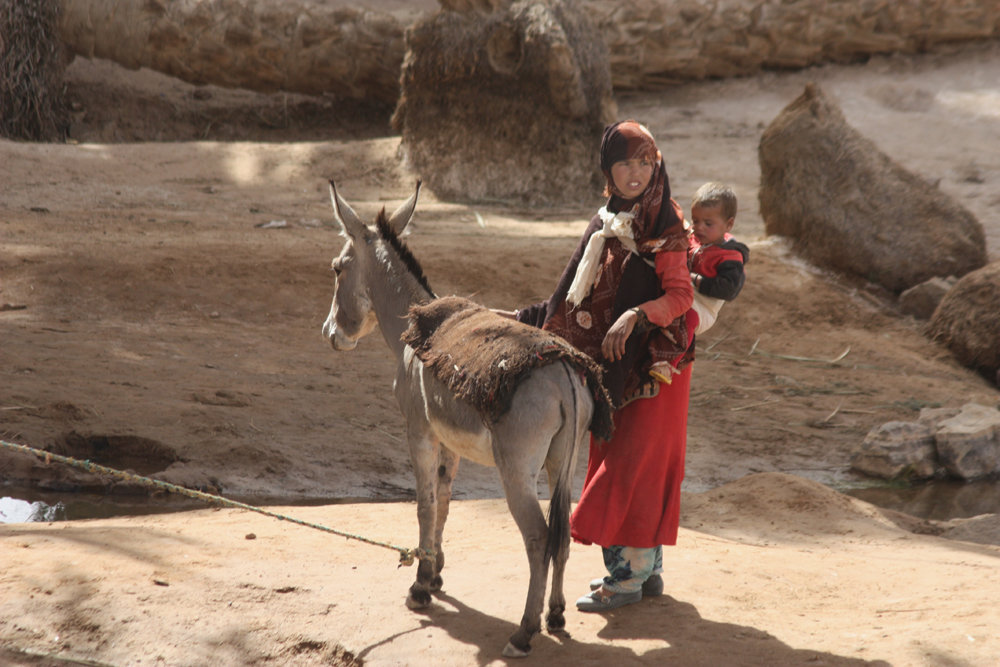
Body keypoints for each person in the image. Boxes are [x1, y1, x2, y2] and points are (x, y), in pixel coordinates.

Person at [512, 120, 696, 612]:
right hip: (614, 366)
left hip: (654, 370)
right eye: (624, 163)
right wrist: (530, 322)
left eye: (644, 162)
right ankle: (645, 570)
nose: (635, 173)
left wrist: (637, 315)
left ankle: (626, 579)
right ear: (607, 169)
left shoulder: (665, 222)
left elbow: (680, 295)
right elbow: (569, 289)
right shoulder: (608, 217)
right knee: (621, 456)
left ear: (655, 165)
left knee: (633, 464)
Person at [688, 182, 749, 335]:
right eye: (695, 221)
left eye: (708, 223)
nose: (699, 227)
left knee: (685, 321)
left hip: (703, 307)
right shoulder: (692, 237)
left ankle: (676, 357)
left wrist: (694, 279)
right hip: (682, 294)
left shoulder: (730, 257)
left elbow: (729, 290)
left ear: (728, 224)